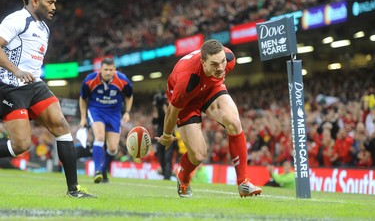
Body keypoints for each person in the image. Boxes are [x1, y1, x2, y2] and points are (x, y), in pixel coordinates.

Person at [0, 0, 95, 198]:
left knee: (61, 125)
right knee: (21, 144)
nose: (54, 7)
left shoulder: (44, 28)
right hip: (10, 87)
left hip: (34, 86)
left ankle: (74, 189)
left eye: (55, 2)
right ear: (35, 1)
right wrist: (15, 70)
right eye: (50, 2)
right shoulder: (16, 20)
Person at [157, 39, 262, 198]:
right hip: (187, 103)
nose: (220, 68)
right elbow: (172, 111)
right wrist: (166, 134)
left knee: (234, 122)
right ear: (203, 62)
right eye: (214, 64)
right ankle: (183, 177)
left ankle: (243, 182)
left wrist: (218, 69)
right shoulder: (186, 80)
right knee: (198, 155)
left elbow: (221, 67)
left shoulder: (229, 60)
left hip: (210, 89)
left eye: (222, 62)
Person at [79, 57, 133, 183]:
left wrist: (127, 112)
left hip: (114, 113)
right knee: (99, 137)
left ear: (115, 69)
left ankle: (103, 170)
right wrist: (83, 117)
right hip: (96, 110)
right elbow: (82, 99)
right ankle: (97, 170)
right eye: (105, 70)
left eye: (111, 70)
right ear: (100, 69)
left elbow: (129, 96)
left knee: (113, 148)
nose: (108, 72)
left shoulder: (123, 80)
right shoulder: (90, 80)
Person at [152, 91, 176, 180]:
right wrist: (155, 107)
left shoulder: (168, 106)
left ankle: (167, 175)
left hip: (168, 133)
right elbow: (155, 120)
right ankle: (164, 172)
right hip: (159, 134)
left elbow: (169, 117)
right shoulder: (158, 108)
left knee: (168, 156)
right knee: (160, 155)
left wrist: (165, 106)